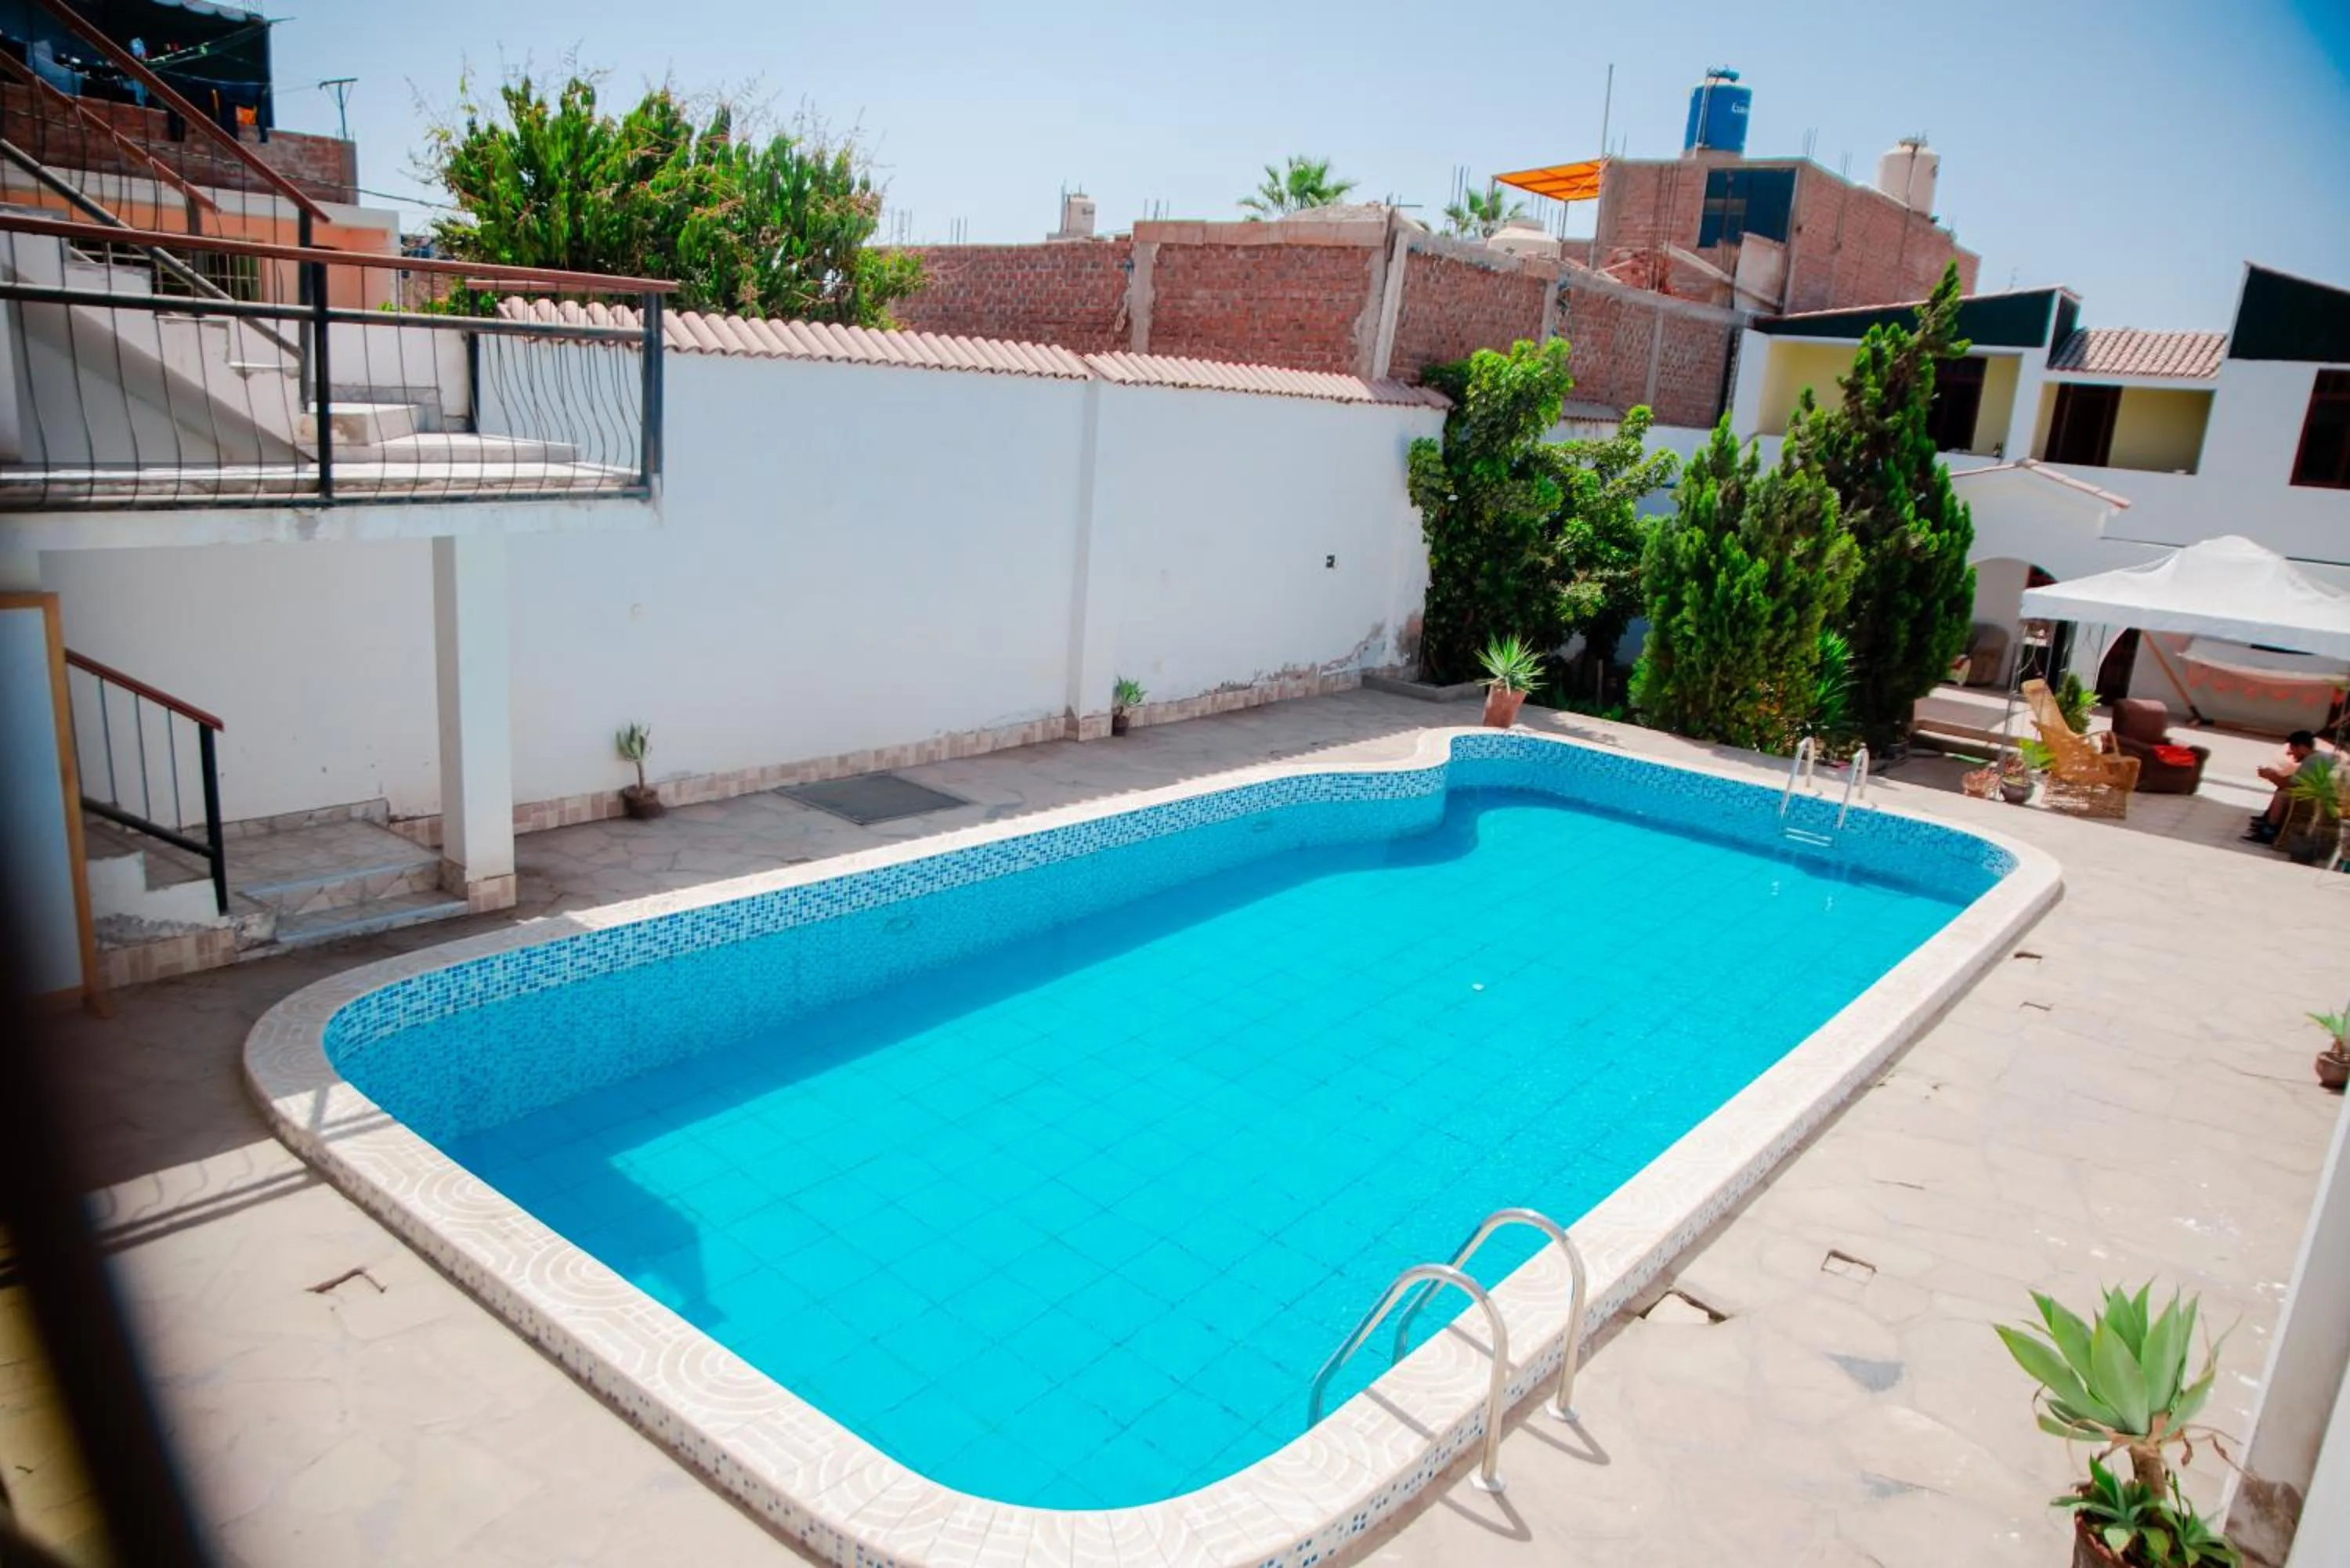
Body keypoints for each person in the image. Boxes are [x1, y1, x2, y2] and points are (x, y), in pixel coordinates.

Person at [2246, 730, 2324, 843]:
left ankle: (2269, 831)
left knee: (2281, 796)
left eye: (2292, 748)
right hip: (2315, 793)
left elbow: (2290, 784)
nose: (2290, 753)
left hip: (2317, 799)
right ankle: (2267, 820)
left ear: (2302, 747)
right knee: (2282, 790)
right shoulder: (2314, 758)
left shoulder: (2312, 762)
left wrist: (2271, 776)